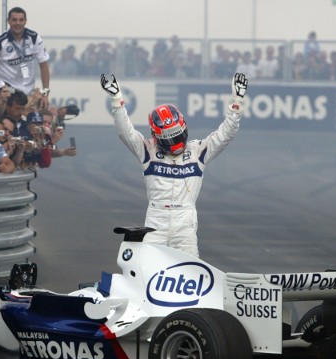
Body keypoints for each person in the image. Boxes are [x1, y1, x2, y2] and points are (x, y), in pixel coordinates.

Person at [100, 72, 248, 257]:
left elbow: (226, 134)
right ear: (156, 137)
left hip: (184, 224)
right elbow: (125, 132)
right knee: (146, 270)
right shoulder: (148, 150)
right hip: (156, 222)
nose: (174, 143)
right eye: (169, 139)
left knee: (191, 274)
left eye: (177, 136)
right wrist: (117, 99)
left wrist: (237, 103)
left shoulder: (198, 151)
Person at [0, 6, 50, 96]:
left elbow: (44, 66)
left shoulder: (34, 38)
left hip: (27, 91)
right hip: (7, 90)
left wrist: (45, 93)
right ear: (8, 21)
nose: (18, 23)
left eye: (21, 20)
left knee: (48, 109)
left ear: (25, 21)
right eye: (14, 20)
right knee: (16, 101)